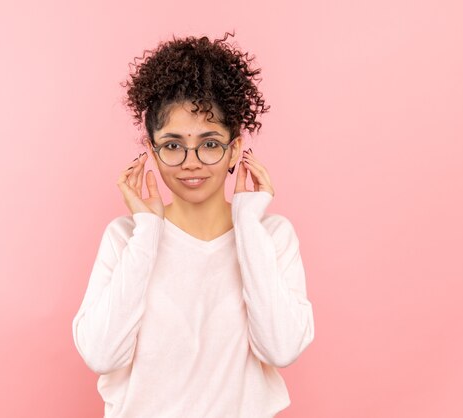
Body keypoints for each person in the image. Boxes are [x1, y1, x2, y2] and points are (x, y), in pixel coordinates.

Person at [72, 31, 315, 418]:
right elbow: (101, 354)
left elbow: (281, 348)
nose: (191, 161)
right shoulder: (126, 238)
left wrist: (248, 225)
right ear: (152, 150)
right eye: (172, 145)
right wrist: (148, 231)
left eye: (210, 143)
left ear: (234, 148)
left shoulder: (270, 236)